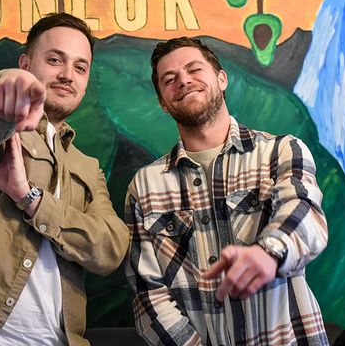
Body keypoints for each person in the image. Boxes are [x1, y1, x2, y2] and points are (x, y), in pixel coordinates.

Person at [0, 13, 129, 346]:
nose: (67, 75)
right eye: (54, 60)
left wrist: (30, 198)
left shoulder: (88, 167)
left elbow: (110, 249)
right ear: (25, 64)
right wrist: (8, 86)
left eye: (80, 67)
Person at [125, 37, 329, 346]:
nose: (183, 80)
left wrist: (269, 252)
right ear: (163, 103)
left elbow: (305, 212)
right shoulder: (144, 186)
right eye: (170, 79)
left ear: (222, 79)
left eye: (194, 69)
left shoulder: (281, 152)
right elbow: (149, 296)